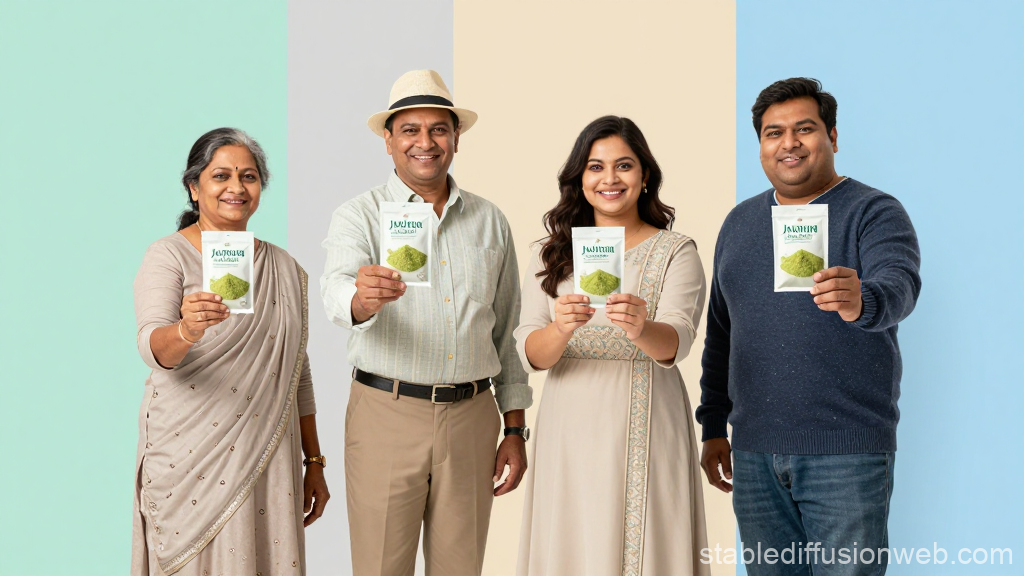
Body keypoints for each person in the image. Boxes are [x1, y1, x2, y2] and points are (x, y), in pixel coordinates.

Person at [697, 78, 922, 574]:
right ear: (760, 145)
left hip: (845, 453)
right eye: (773, 133)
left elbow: (900, 284)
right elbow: (722, 333)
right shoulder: (739, 223)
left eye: (805, 128)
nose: (789, 143)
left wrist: (863, 298)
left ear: (833, 137)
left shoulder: (873, 212)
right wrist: (714, 424)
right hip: (754, 455)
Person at [321, 70, 532, 576]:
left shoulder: (490, 220)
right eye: (410, 130)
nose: (426, 142)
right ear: (388, 142)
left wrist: (516, 429)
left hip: (472, 418)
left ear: (456, 138)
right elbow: (334, 291)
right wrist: (361, 299)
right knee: (379, 568)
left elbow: (505, 331)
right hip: (385, 415)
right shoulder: (360, 216)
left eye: (439, 129)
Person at [515, 116, 710, 576]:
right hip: (570, 425)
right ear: (579, 178)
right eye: (595, 167)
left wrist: (642, 327)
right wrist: (561, 328)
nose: (609, 179)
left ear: (644, 176)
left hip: (648, 417)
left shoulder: (675, 250)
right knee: (572, 541)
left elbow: (678, 341)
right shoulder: (551, 253)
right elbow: (529, 351)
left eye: (624, 166)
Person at [131, 128, 329, 576]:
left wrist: (313, 462)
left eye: (249, 176)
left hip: (269, 456)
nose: (237, 187)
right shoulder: (168, 256)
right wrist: (186, 330)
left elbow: (297, 370)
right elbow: (151, 346)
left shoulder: (285, 268)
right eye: (221, 175)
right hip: (188, 460)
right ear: (193, 187)